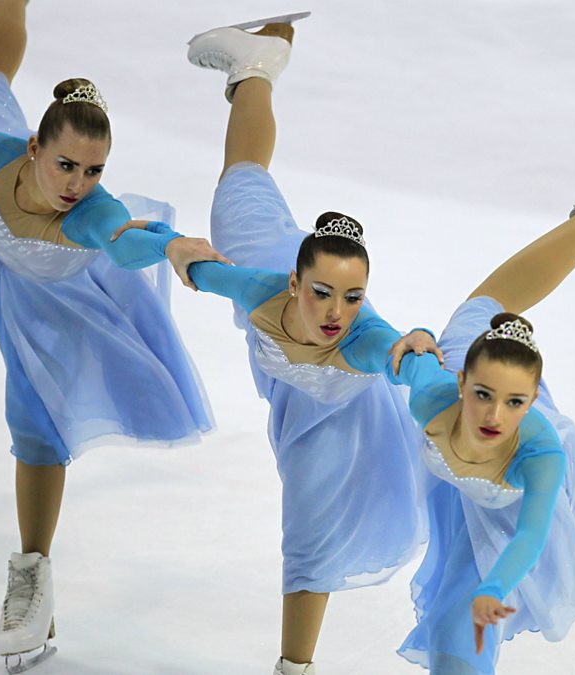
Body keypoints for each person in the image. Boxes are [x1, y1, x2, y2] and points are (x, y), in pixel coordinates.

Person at [0, 1, 229, 669]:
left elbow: (128, 237)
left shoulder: (90, 215)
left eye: (94, 170)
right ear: (34, 147)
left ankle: (32, 571)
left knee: (34, 422)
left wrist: (171, 247)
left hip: (61, 300)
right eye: (66, 166)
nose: (79, 184)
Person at [173, 17, 441, 675]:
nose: (336, 313)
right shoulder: (257, 282)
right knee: (238, 178)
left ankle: (295, 667)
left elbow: (403, 358)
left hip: (324, 414)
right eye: (322, 293)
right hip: (265, 242)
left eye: (352, 297)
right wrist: (175, 249)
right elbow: (196, 266)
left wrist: (424, 345)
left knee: (308, 536)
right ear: (295, 282)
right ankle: (256, 67)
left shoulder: (364, 340)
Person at [387, 143, 575, 673]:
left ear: (533, 400)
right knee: (479, 309)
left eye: (513, 403)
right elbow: (400, 351)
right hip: (466, 370)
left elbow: (529, 535)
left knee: (460, 625)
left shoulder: (542, 453)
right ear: (461, 384)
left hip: (513, 496)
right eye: (481, 396)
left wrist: (496, 587)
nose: (493, 416)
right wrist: (414, 337)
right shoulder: (434, 394)